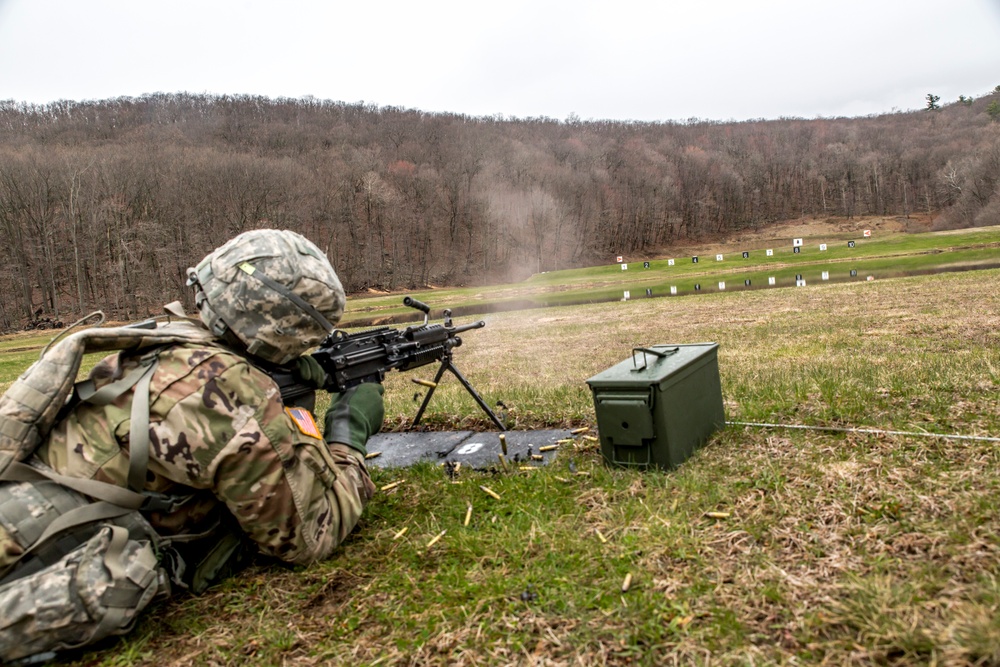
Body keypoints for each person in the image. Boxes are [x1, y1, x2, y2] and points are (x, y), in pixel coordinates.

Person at [0, 229, 385, 663]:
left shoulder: (167, 340)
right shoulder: (228, 390)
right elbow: (309, 536)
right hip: (32, 552)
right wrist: (347, 436)